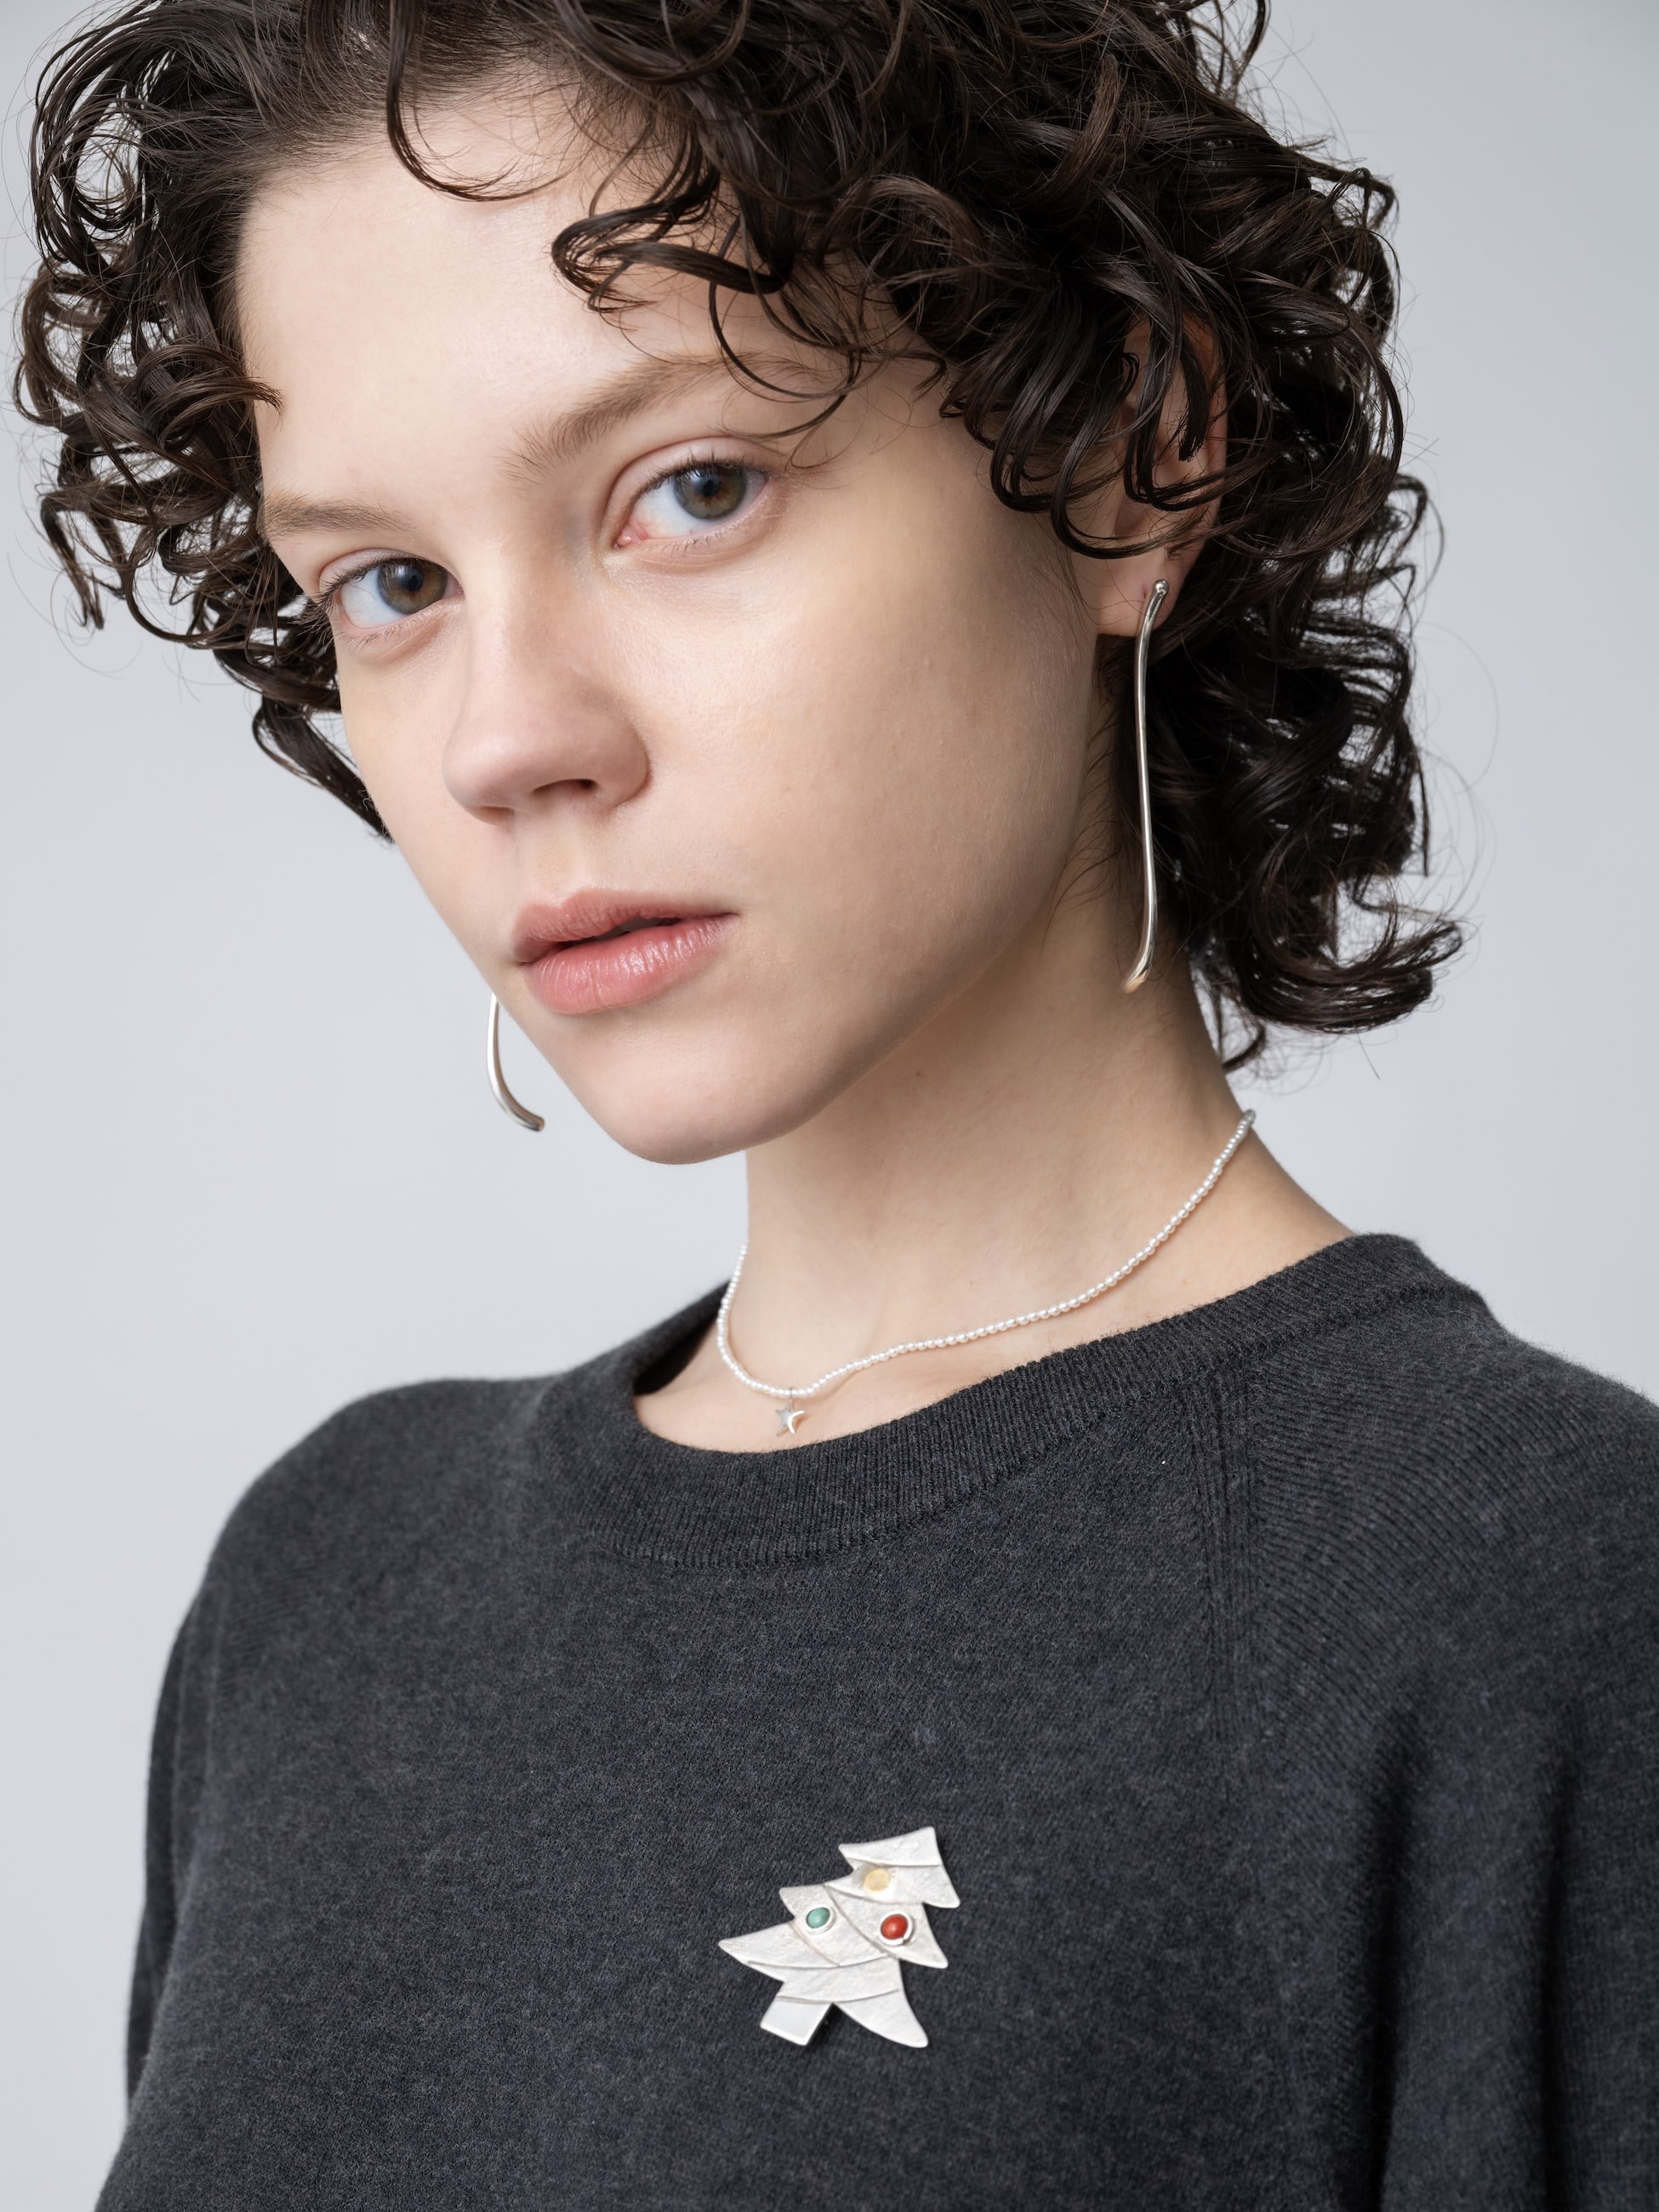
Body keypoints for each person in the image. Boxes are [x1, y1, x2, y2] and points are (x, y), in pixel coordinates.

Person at [17, 0, 1657, 2203]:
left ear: (1128, 454)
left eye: (692, 488)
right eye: (392, 586)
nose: (508, 740)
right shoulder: (327, 1594)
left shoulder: (1531, 1601)